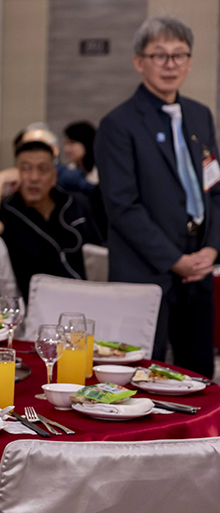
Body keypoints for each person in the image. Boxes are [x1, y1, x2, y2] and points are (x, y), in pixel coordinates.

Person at [95, 15, 220, 376]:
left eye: (179, 55)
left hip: (198, 265)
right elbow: (122, 206)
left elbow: (214, 190)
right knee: (142, 374)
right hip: (146, 270)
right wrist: (174, 259)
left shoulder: (199, 115)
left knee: (198, 374)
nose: (170, 64)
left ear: (189, 62)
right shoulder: (118, 124)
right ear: (139, 62)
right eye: (159, 55)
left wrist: (212, 249)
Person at [0, 141, 102, 299]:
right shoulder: (9, 211)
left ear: (54, 177)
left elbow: (100, 251)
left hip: (90, 296)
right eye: (25, 169)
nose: (34, 178)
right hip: (39, 302)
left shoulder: (76, 203)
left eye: (42, 169)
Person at [20, 122, 92, 195]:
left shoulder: (69, 176)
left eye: (38, 147)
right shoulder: (18, 176)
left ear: (54, 150)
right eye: (25, 148)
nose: (30, 153)